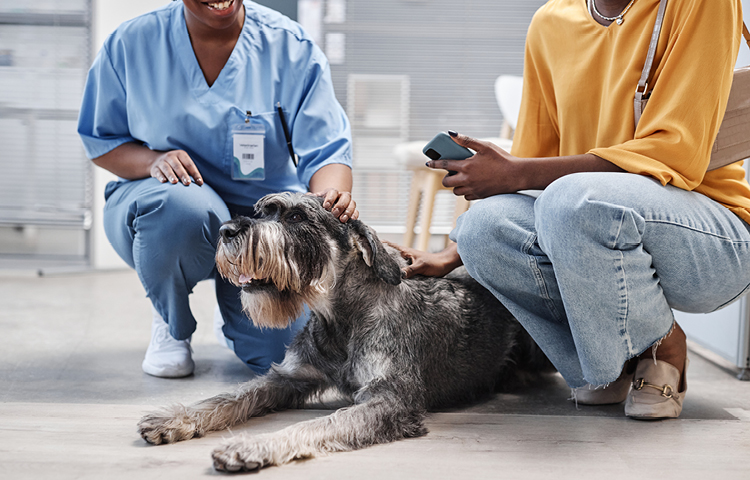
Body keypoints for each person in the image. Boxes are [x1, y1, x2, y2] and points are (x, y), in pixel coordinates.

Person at [396, 0, 750, 419]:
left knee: (572, 198)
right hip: (593, 221)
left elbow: (675, 152)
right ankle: (615, 364)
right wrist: (454, 255)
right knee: (482, 229)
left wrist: (515, 174)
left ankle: (663, 344)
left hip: (708, 237)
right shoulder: (551, 22)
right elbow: (533, 161)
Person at [77, 0, 356, 378]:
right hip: (165, 205)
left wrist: (329, 202)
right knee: (186, 209)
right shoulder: (131, 43)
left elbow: (327, 150)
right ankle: (171, 319)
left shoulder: (290, 46)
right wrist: (151, 161)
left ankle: (235, 305)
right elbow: (101, 140)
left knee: (291, 360)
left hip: (262, 226)